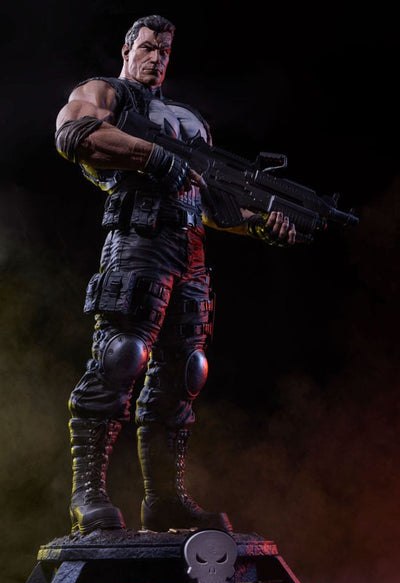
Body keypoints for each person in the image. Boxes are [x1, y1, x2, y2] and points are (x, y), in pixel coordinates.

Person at [55, 14, 296, 536]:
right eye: (147, 47)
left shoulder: (189, 119)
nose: (156, 57)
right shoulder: (105, 91)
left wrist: (262, 224)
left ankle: (165, 501)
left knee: (185, 372)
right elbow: (74, 134)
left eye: (164, 50)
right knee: (121, 356)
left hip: (190, 251)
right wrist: (153, 157)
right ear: (127, 49)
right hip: (138, 240)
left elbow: (211, 204)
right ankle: (87, 494)